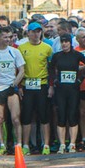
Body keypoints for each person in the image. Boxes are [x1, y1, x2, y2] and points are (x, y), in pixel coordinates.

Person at [0, 26, 25, 154]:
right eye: (5, 37)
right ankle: (2, 145)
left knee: (15, 118)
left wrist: (14, 83)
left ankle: (18, 144)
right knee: (0, 118)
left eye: (10, 37)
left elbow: (22, 71)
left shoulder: (14, 52)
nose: (8, 39)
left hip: (11, 87)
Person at [48, 33, 85, 153]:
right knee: (61, 115)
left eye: (66, 41)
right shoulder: (57, 56)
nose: (64, 44)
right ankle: (62, 144)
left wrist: (80, 80)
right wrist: (54, 80)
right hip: (60, 89)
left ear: (70, 42)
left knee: (72, 115)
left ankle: (72, 143)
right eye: (62, 41)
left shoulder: (76, 55)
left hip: (73, 89)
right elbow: (50, 69)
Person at [18, 22, 53, 155]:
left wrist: (50, 86)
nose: (35, 34)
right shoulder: (21, 48)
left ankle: (46, 144)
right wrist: (20, 86)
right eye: (33, 31)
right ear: (28, 33)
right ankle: (26, 144)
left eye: (38, 31)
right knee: (27, 116)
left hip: (42, 85)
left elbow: (51, 68)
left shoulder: (47, 48)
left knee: (44, 116)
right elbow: (19, 69)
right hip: (27, 86)